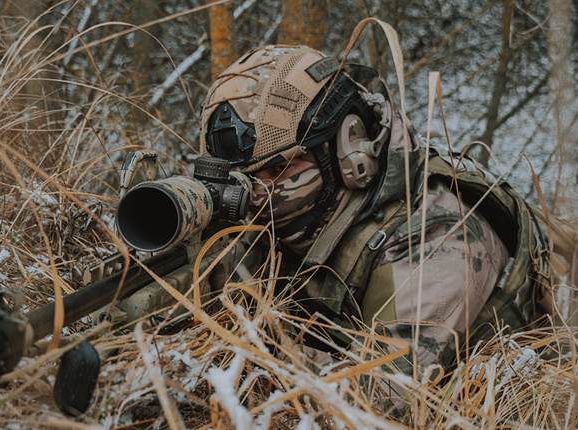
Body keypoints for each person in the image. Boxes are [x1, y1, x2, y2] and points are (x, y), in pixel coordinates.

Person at [197, 45, 553, 378]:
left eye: (279, 169)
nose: (257, 193)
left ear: (349, 147)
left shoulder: (439, 242)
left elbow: (379, 399)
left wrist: (241, 337)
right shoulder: (313, 212)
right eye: (244, 177)